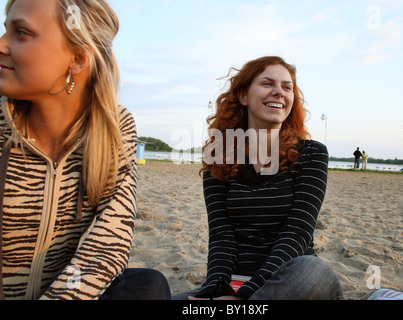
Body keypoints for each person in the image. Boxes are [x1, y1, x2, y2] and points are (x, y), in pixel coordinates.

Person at [0, 0, 169, 300]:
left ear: (77, 59)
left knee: (147, 285)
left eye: (21, 33)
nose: (2, 45)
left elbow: (108, 246)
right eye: (6, 30)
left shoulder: (114, 127)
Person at [173, 56, 342, 300]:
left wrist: (247, 296)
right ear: (243, 96)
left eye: (287, 87)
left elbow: (297, 233)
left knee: (313, 269)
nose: (278, 92)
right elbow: (222, 236)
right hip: (235, 286)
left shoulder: (312, 153)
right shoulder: (218, 158)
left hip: (291, 283)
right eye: (267, 84)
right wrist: (217, 290)